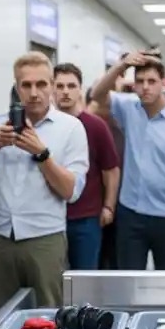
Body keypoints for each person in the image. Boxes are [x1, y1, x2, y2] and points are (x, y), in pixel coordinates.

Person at [0, 53, 89, 309]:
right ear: (16, 88)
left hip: (45, 239)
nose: (34, 93)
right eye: (26, 85)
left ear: (51, 85)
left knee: (49, 316)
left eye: (41, 84)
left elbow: (70, 191)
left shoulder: (71, 128)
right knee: (1, 317)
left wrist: (42, 155)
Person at [92, 50, 165, 270]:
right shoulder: (129, 107)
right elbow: (97, 94)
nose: (145, 87)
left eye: (151, 81)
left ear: (163, 83)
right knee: (129, 280)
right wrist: (121, 66)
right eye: (140, 81)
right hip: (131, 213)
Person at [53, 63, 121, 270]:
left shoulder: (95, 125)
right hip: (50, 218)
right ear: (52, 88)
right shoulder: (43, 125)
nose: (65, 91)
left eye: (71, 86)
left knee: (84, 279)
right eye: (60, 86)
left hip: (86, 219)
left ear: (79, 89)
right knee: (53, 282)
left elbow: (111, 169)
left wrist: (109, 206)